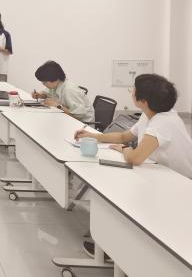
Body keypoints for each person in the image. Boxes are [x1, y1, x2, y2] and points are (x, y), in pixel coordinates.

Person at [74, 73, 192, 258]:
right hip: (159, 174)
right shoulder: (150, 114)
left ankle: (116, 250)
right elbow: (124, 136)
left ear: (143, 100)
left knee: (124, 198)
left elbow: (135, 157)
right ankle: (111, 245)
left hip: (178, 184)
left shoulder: (163, 122)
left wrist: (124, 149)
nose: (132, 92)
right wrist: (94, 136)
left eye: (134, 89)